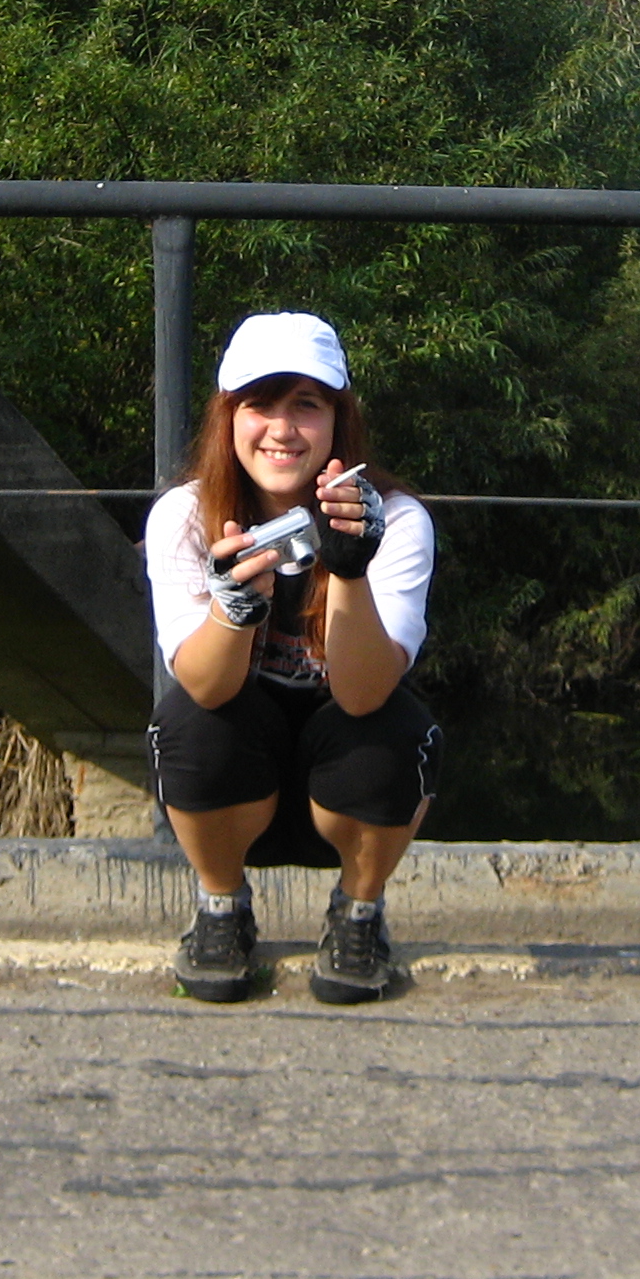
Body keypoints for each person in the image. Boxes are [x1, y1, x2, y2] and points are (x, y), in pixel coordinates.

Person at [146, 312, 441, 1004]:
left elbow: (364, 693)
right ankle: (222, 907)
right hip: (239, 791)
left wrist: (350, 568)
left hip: (340, 786)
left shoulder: (395, 520)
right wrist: (233, 606)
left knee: (398, 730)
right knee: (187, 726)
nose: (282, 429)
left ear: (339, 420)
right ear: (228, 416)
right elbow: (205, 687)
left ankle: (359, 913)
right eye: (260, 404)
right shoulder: (184, 516)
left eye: (306, 405)